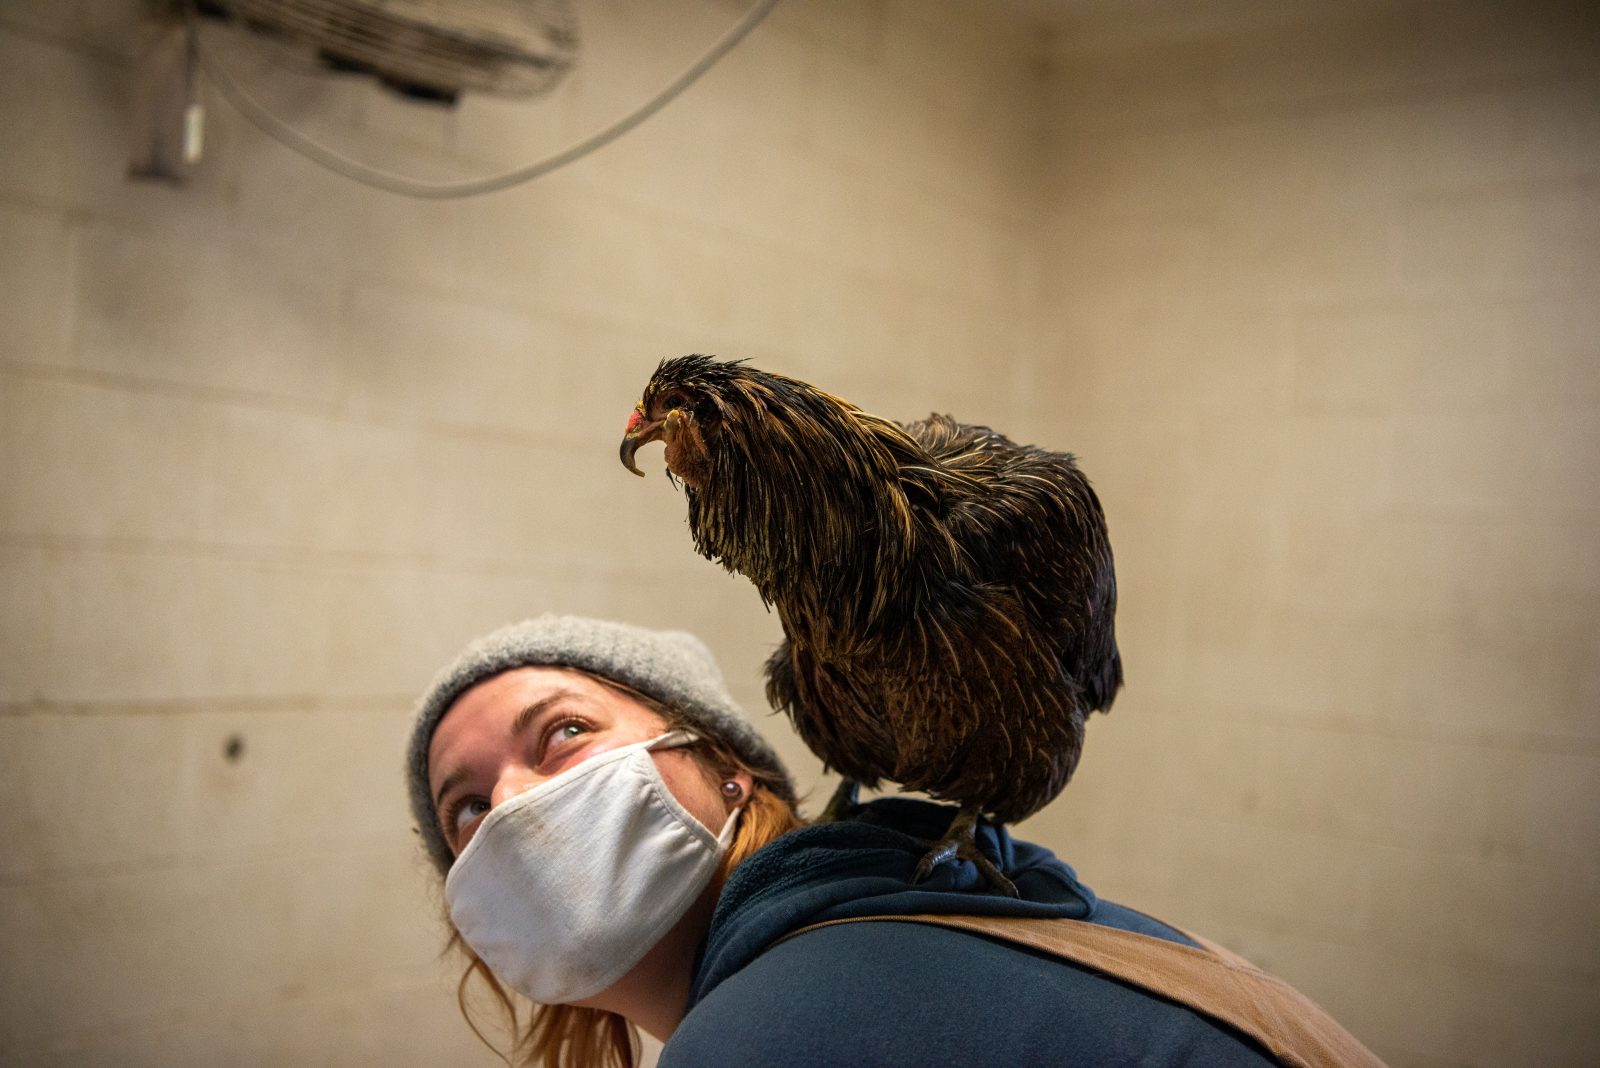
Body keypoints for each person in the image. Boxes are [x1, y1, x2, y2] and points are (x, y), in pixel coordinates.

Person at [407, 615, 1382, 1068]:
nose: (515, 808)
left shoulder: (773, 1034)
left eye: (564, 734)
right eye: (466, 811)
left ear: (726, 767)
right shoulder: (914, 910)